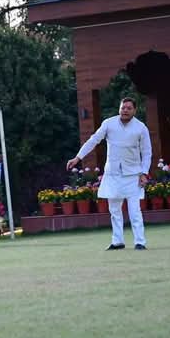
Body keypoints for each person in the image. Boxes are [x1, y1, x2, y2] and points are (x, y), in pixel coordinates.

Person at [66, 97, 151, 251]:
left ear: (134, 110)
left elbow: (147, 152)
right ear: (119, 108)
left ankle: (140, 242)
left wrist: (144, 173)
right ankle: (117, 241)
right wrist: (78, 158)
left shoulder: (141, 128)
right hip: (113, 174)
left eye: (129, 108)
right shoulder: (108, 123)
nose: (125, 110)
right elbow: (93, 140)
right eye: (123, 107)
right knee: (114, 210)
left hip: (133, 175)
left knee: (135, 211)